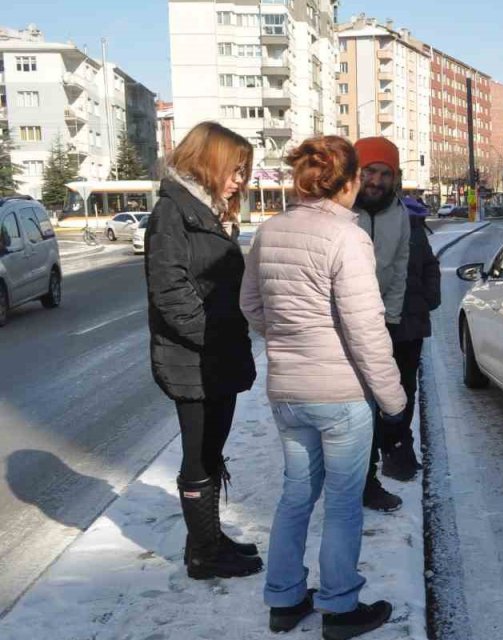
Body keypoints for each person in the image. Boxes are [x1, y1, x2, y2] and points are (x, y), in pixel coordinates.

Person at [241, 136, 406, 639]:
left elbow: (251, 305)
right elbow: (365, 328)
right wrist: (394, 401)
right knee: (341, 502)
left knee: (295, 495)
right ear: (350, 181)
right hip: (339, 396)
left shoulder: (270, 231)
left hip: (287, 393)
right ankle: (339, 606)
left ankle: (285, 599)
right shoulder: (348, 238)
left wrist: (291, 338)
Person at [145, 121, 262, 581]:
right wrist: (213, 337)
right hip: (194, 358)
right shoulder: (173, 213)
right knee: (199, 454)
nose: (240, 180)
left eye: (244, 171)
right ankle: (205, 555)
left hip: (214, 355)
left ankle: (208, 540)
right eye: (235, 169)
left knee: (211, 451)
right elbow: (170, 291)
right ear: (207, 161)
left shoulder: (203, 210)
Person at [350, 137, 412, 511]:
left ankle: (367, 481)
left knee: (371, 408)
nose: (375, 180)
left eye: (384, 173)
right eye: (368, 171)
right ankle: (340, 481)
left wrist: (389, 319)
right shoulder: (338, 210)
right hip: (336, 325)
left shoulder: (399, 214)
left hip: (377, 326)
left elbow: (400, 269)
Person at [380, 196, 441, 482]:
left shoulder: (413, 230)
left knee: (402, 388)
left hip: (409, 322)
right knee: (395, 388)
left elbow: (430, 267)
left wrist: (428, 299)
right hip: (385, 322)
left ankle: (399, 449)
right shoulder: (390, 226)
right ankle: (395, 449)